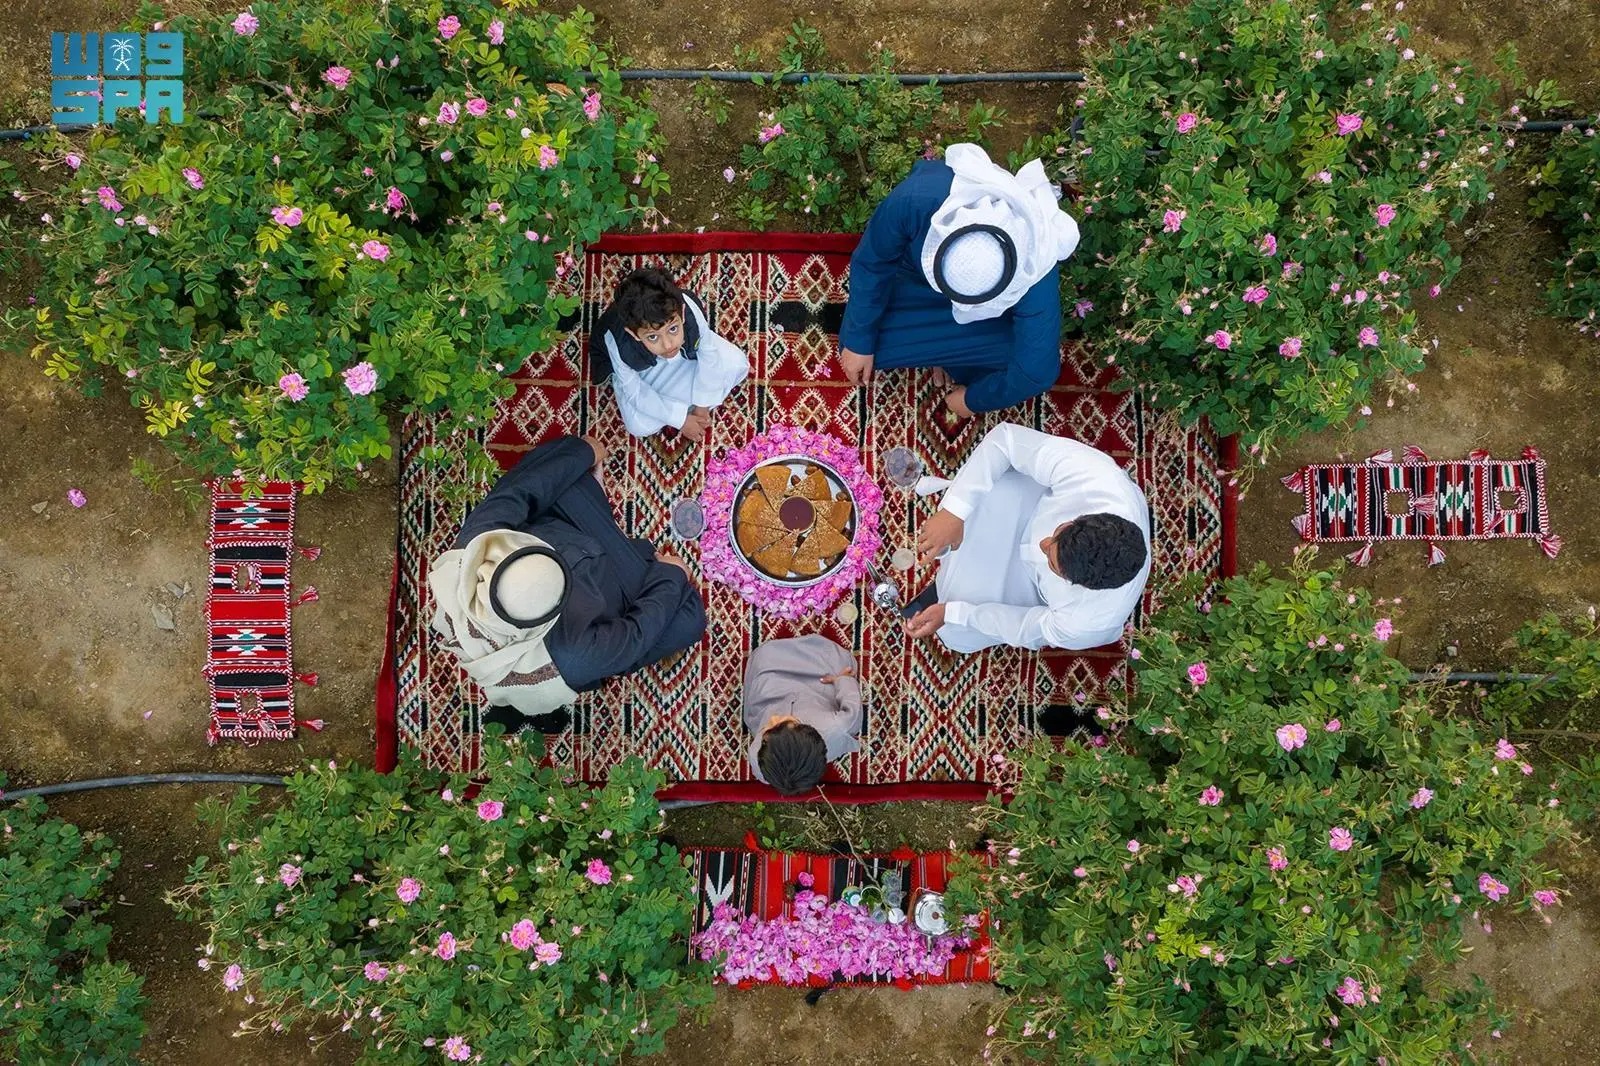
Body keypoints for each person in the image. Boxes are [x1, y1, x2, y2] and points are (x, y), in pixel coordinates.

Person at [429, 434, 706, 733]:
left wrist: (584, 452)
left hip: (570, 535)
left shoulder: (473, 550)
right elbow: (634, 634)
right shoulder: (569, 656)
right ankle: (614, 538)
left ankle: (604, 525)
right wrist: (670, 574)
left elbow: (516, 492)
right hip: (608, 603)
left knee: (563, 466)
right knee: (689, 620)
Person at [836, 143, 1081, 418]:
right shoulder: (917, 199)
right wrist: (859, 340)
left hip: (990, 323)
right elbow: (873, 260)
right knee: (863, 348)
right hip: (917, 281)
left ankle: (953, 354)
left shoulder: (1037, 268)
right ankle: (949, 352)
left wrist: (972, 400)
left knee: (1016, 359)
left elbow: (1037, 372)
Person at [902, 423, 1150, 652]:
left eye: (1052, 562)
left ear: (1077, 585)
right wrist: (954, 511)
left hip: (1030, 588)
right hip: (1029, 505)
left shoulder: (1086, 623)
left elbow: (1023, 626)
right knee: (988, 490)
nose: (1043, 543)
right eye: (1058, 532)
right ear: (1085, 516)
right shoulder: (1097, 479)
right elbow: (1007, 441)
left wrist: (953, 613)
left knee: (956, 634)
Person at [590, 266, 749, 442]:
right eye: (653, 336)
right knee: (637, 425)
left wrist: (702, 406)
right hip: (643, 368)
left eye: (673, 329)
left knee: (738, 364)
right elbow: (634, 392)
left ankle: (684, 400)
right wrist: (681, 420)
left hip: (685, 353)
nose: (667, 344)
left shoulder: (688, 307)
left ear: (682, 313)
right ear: (634, 334)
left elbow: (708, 352)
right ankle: (683, 402)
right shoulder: (619, 343)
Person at [743, 635, 863, 796]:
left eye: (767, 731)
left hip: (771, 690)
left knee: (764, 657)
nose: (773, 719)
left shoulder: (758, 758)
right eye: (783, 723)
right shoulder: (836, 727)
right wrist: (842, 680)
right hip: (817, 682)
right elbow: (853, 712)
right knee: (836, 660)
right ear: (808, 729)